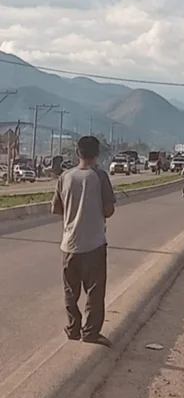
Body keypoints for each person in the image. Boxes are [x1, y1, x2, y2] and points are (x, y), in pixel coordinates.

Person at [51, 136, 116, 348]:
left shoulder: (65, 176)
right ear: (97, 154)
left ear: (77, 153)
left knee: (71, 291)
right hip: (94, 244)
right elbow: (109, 209)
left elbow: (56, 209)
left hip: (68, 244)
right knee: (94, 292)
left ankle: (72, 329)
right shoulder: (100, 176)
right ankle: (90, 332)